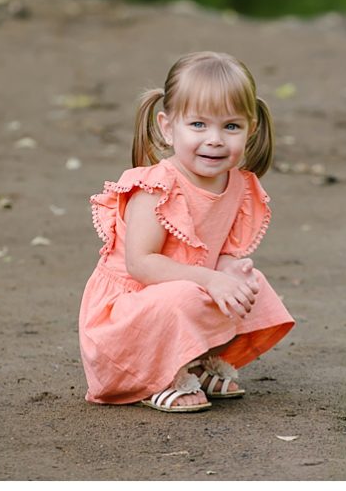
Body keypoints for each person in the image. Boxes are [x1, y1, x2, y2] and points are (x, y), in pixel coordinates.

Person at [79, 51, 295, 413]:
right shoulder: (157, 188)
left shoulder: (239, 187)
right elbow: (141, 266)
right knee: (186, 295)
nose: (214, 139)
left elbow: (224, 252)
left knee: (248, 282)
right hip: (125, 326)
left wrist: (228, 271)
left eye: (231, 126)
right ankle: (158, 378)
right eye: (197, 125)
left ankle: (194, 363)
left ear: (251, 128)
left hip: (179, 294)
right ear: (167, 126)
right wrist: (210, 279)